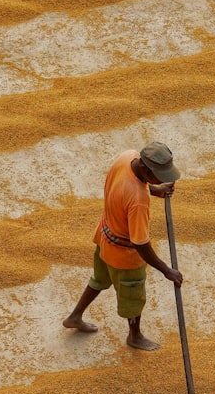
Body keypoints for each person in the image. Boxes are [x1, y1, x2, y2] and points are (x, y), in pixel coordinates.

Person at [63, 142, 184, 351]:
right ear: (146, 170)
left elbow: (126, 190)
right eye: (159, 176)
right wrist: (167, 270)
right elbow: (140, 243)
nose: (163, 179)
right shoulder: (138, 201)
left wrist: (157, 190)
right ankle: (134, 336)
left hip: (104, 237)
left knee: (99, 279)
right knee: (133, 297)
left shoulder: (127, 157)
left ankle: (75, 316)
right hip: (124, 256)